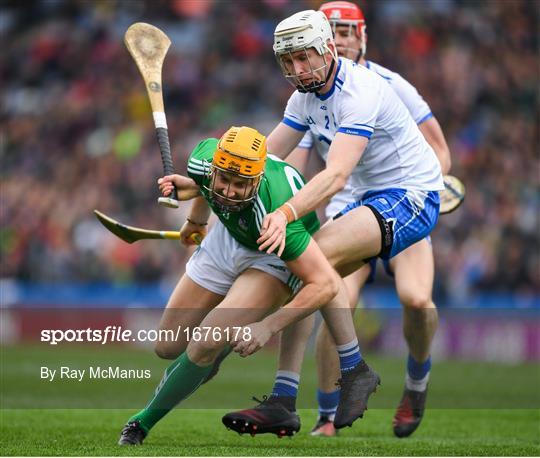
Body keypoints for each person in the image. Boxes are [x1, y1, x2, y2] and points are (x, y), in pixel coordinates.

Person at [223, 8, 444, 437]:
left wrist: (285, 214)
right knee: (305, 268)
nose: (297, 70)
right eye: (288, 62)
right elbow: (267, 157)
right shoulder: (303, 98)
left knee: (316, 258)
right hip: (358, 200)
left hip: (411, 195)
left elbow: (336, 173)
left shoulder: (362, 89)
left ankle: (370, 373)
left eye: (304, 58)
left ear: (327, 48)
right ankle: (288, 401)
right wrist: (208, 183)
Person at [117, 126, 378, 445]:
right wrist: (197, 221)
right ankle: (218, 349)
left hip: (270, 254)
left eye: (241, 185)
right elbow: (203, 185)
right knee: (167, 346)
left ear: (256, 181)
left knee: (203, 343)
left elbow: (325, 285)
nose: (228, 191)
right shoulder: (204, 159)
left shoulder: (278, 218)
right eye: (223, 179)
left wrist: (267, 327)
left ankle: (140, 423)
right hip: (226, 239)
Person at [283, 1, 452, 438]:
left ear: (361, 38)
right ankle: (326, 416)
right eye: (331, 31)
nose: (339, 39)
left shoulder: (388, 85)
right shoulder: (308, 93)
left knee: (417, 301)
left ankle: (416, 383)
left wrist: (436, 184)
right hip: (349, 205)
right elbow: (291, 159)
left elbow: (439, 150)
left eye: (345, 32)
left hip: (402, 197)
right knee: (330, 288)